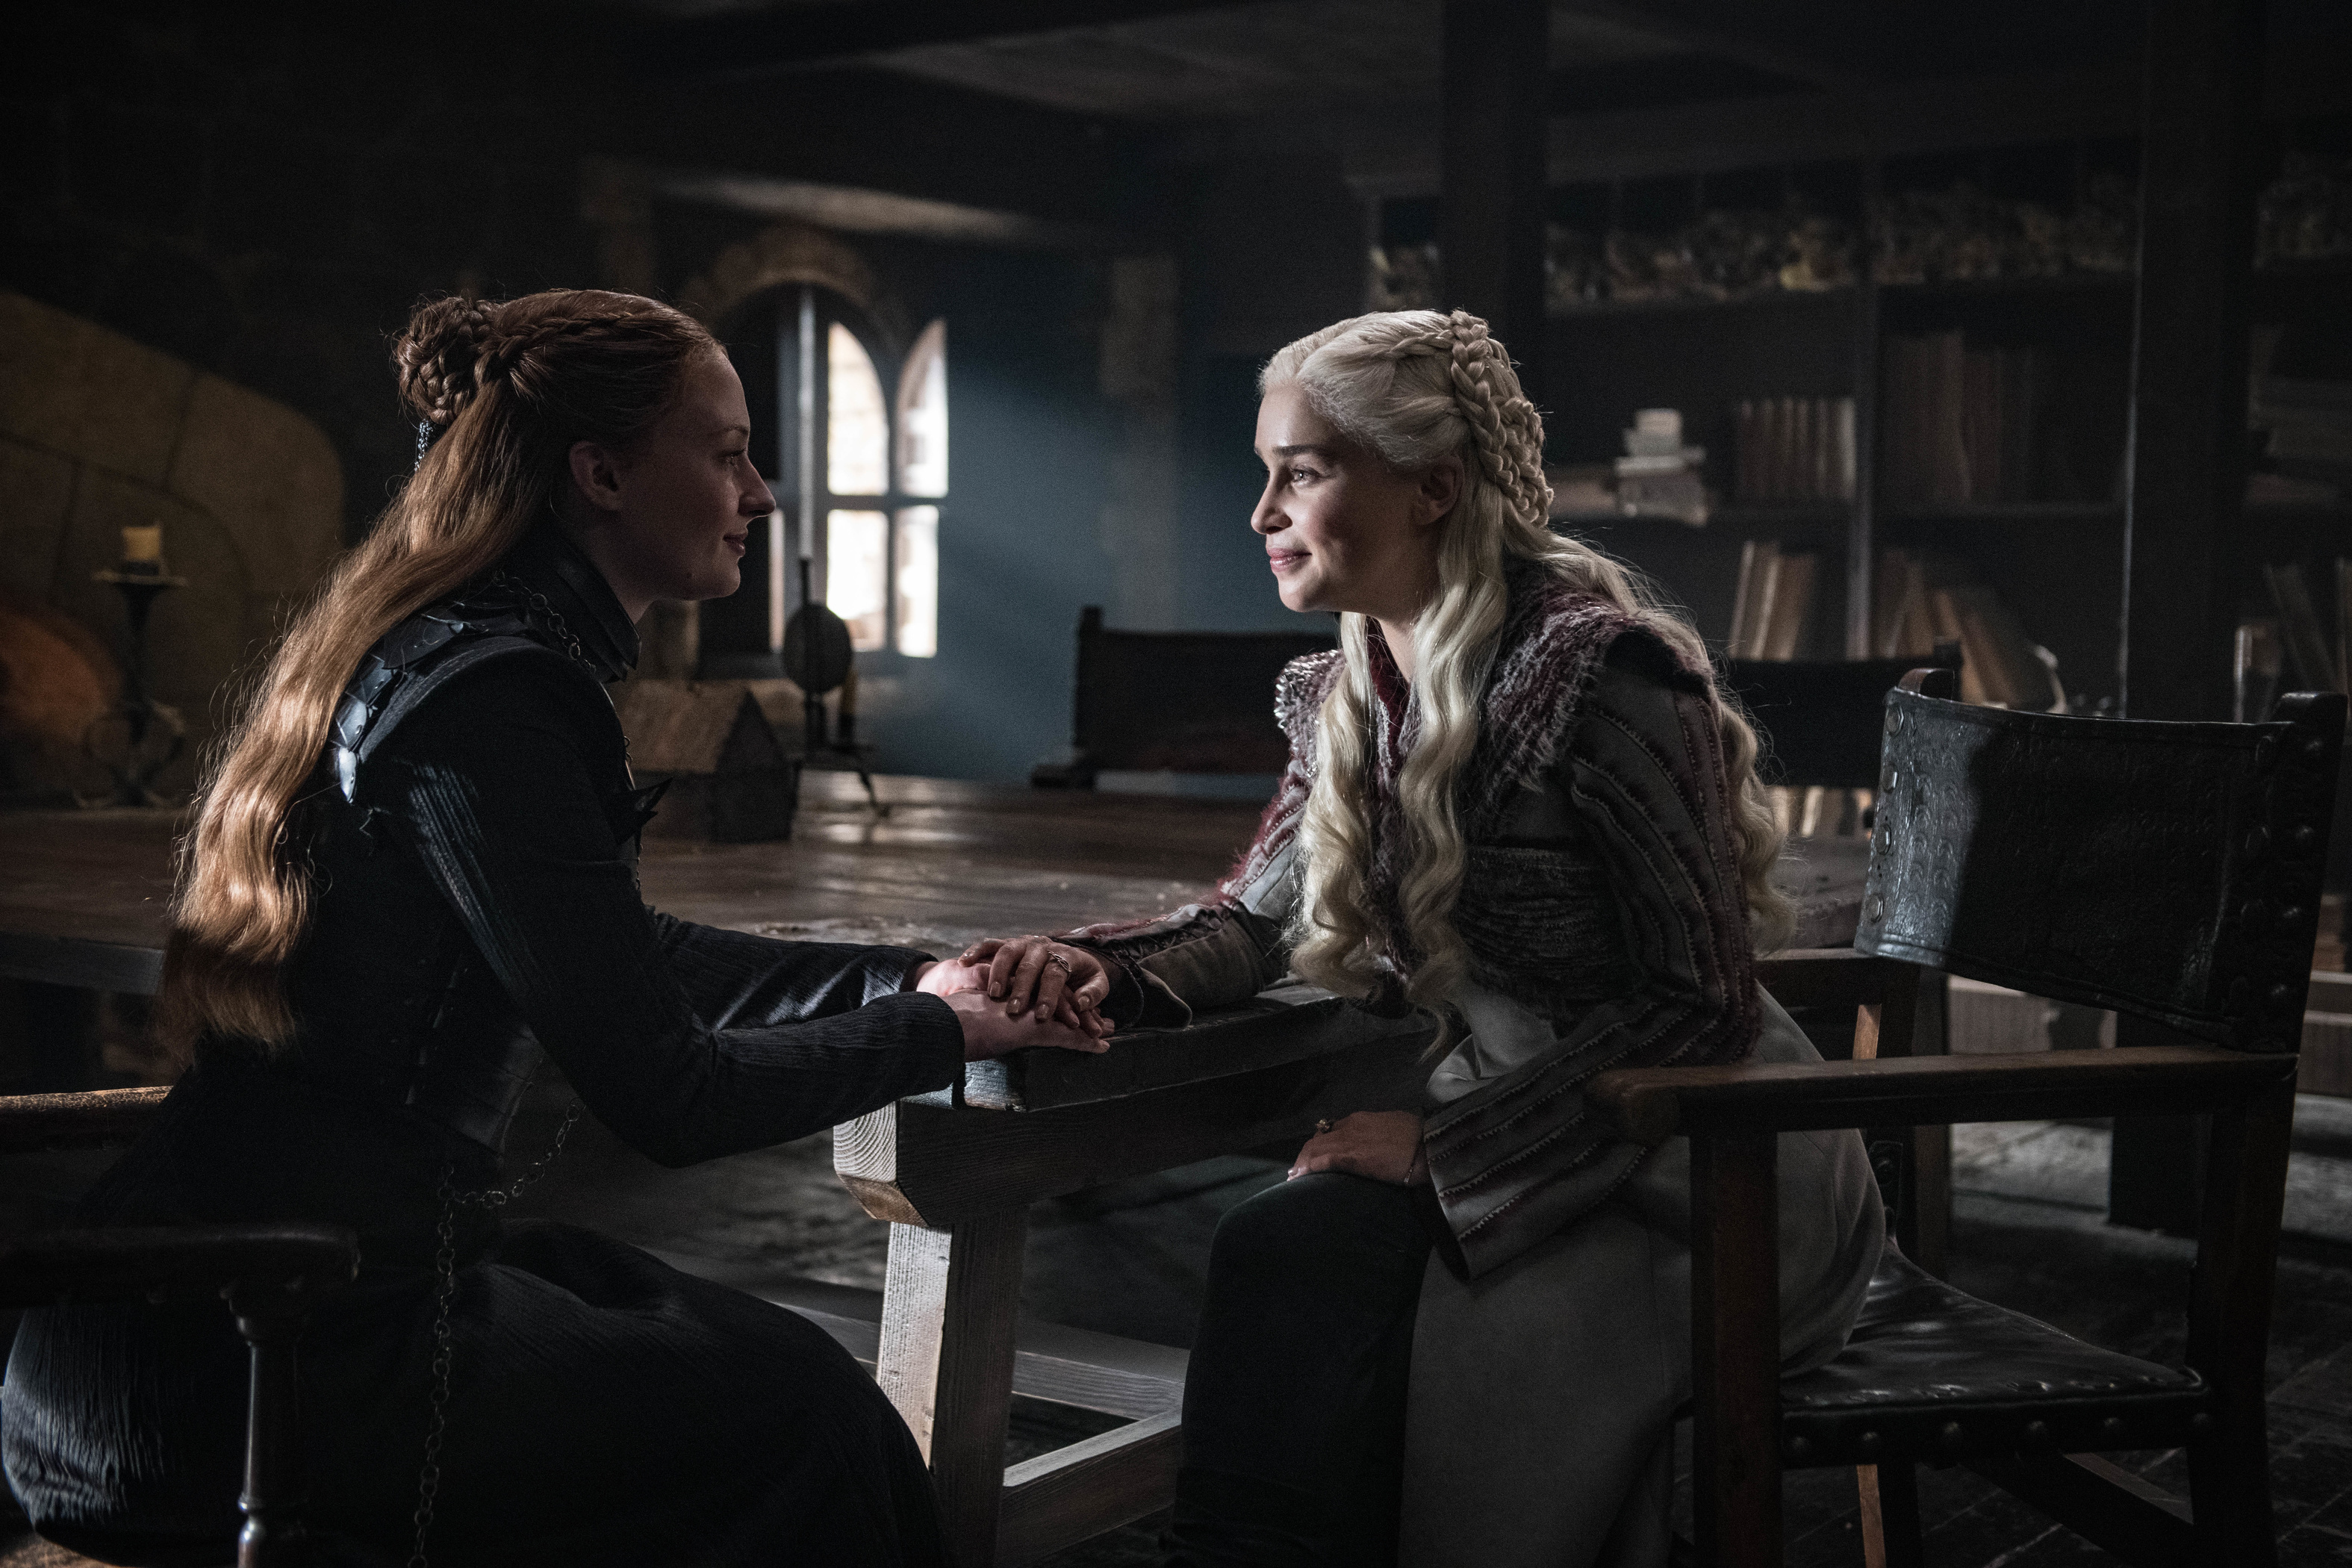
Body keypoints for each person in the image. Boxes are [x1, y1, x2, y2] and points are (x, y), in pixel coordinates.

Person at [1, 289, 1112, 1568]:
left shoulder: (452, 649)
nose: (759, 494)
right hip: (256, 1353)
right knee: (809, 1416)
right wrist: (937, 1030)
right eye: (727, 454)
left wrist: (913, 977)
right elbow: (673, 1097)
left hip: (235, 1306)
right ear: (601, 474)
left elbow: (616, 951)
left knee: (736, 1354)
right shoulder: (496, 692)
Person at [969, 310, 1885, 1567]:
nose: (1262, 512)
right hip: (1524, 1135)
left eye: (1300, 472)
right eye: (1265, 473)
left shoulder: (1603, 679)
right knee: (1293, 1255)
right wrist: (1101, 974)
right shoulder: (1353, 694)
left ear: (1433, 489)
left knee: (1314, 1265)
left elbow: (1700, 1006)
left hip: (1697, 1165)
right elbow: (1255, 921)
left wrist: (1444, 1148)